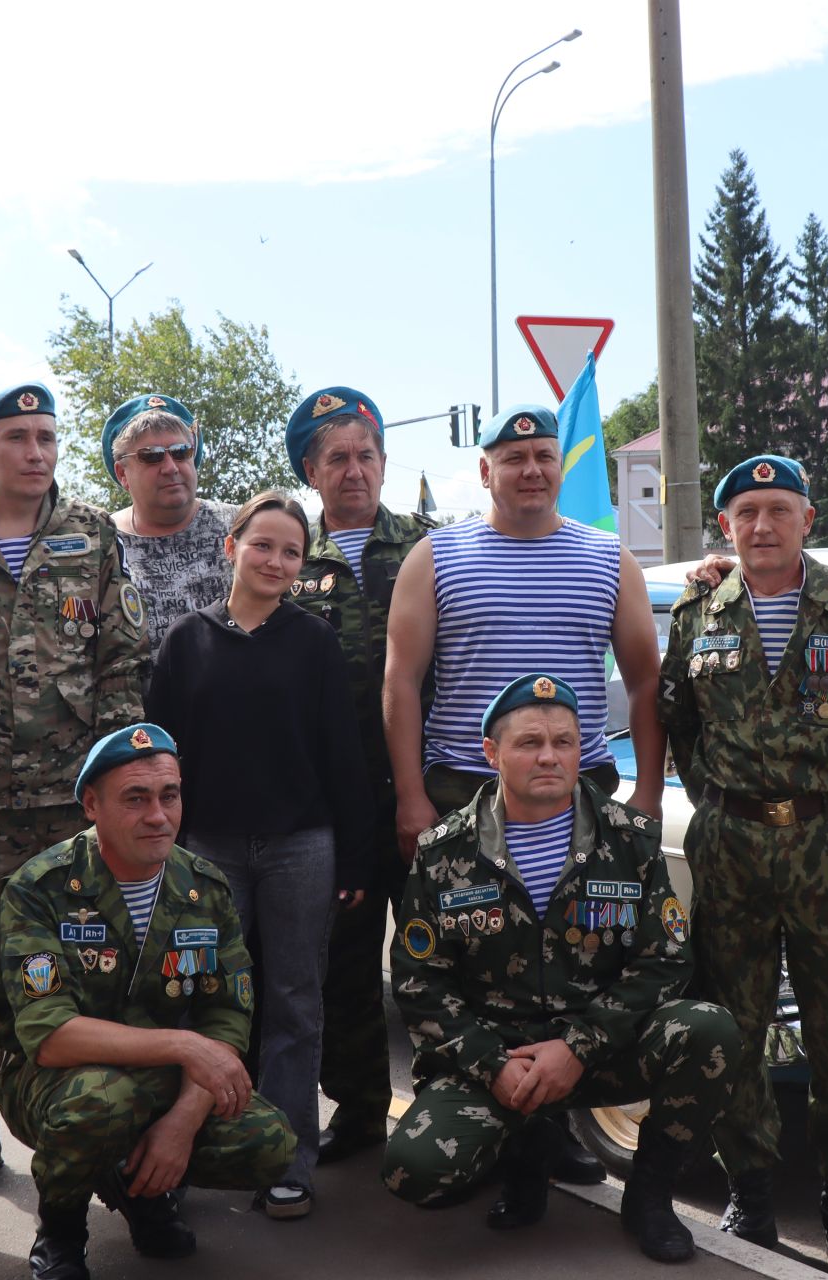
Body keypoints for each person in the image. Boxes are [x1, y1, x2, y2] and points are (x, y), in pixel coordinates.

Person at [382, 403, 665, 1185]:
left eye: (545, 455)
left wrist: (645, 786)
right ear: (485, 472)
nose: (533, 469)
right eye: (515, 458)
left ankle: (555, 1126)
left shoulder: (610, 558)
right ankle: (500, 1121)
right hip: (463, 790)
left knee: (575, 964)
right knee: (480, 976)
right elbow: (401, 680)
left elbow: (646, 681)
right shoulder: (436, 557)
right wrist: (411, 794)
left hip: (577, 789)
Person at [381, 674, 740, 1265]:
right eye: (529, 743)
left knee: (708, 1030)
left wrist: (576, 1047)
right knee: (414, 1172)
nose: (549, 756)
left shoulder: (628, 841)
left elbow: (664, 958)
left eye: (565, 741)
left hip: (597, 1050)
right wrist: (492, 1066)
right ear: (491, 753)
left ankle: (649, 1198)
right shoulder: (446, 851)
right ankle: (528, 1152)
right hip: (498, 1059)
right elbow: (421, 981)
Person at [658, 455, 828, 1278]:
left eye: (778, 509)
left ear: (809, 518)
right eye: (746, 512)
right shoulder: (699, 611)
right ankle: (752, 1196)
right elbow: (678, 724)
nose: (761, 525)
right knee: (738, 1028)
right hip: (729, 845)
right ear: (723, 526)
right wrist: (728, 804)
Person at [0, 383, 148, 1196]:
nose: (37, 452)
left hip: (71, 802)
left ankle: (80, 1121)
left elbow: (120, 657)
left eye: (47, 436)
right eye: (18, 437)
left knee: (86, 966)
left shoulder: (91, 532)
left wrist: (114, 780)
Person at [0, 723, 297, 1280]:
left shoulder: (204, 889)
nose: (158, 816)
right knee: (101, 1102)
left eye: (170, 795)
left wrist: (182, 1122)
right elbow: (50, 1034)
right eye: (135, 799)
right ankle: (60, 1230)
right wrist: (184, 1045)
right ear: (91, 804)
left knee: (268, 1140)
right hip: (54, 1082)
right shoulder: (41, 888)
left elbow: (227, 1014)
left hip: (155, 1079)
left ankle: (142, 1191)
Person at [143, 490, 371, 1219]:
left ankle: (285, 1157)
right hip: (208, 852)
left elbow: (344, 755)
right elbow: (159, 761)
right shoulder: (186, 640)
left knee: (295, 1004)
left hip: (302, 848)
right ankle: (183, 1154)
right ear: (230, 547)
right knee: (199, 1001)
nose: (276, 561)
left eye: (292, 551)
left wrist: (356, 859)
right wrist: (161, 853)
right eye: (263, 544)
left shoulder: (314, 642)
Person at [282, 385, 434, 1167]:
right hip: (334, 802)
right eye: (336, 458)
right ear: (311, 469)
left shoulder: (430, 546)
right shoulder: (286, 559)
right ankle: (361, 1109)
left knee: (438, 953)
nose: (354, 471)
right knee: (343, 962)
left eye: (366, 456)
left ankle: (454, 1108)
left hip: (421, 788)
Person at [101, 393, 236, 658]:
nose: (170, 467)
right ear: (122, 473)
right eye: (151, 456)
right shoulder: (102, 543)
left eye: (180, 452)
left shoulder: (241, 526)